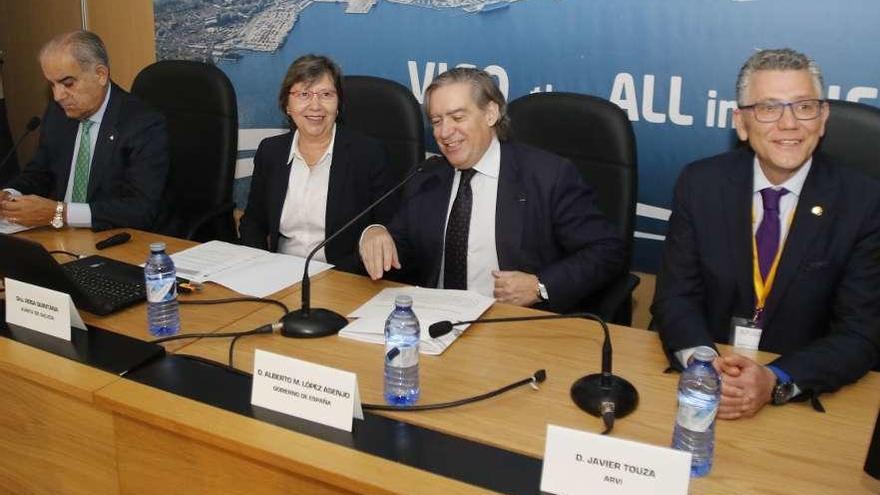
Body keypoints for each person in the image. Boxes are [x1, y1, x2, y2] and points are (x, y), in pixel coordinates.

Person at [652, 48, 880, 419]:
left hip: (800, 398)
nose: (789, 124)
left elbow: (859, 334)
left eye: (804, 107)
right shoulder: (700, 183)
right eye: (769, 108)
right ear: (741, 123)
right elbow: (674, 297)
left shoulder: (864, 202)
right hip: (705, 382)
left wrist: (775, 379)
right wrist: (703, 364)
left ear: (822, 119)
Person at [359, 67, 624, 313]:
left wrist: (541, 286)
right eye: (437, 121)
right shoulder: (426, 176)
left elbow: (606, 250)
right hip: (435, 320)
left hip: (512, 324)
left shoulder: (547, 176)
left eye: (457, 117)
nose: (445, 131)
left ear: (490, 114)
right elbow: (401, 247)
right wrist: (376, 233)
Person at [239, 55, 398, 274]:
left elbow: (390, 225)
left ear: (338, 104)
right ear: (287, 104)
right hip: (278, 274)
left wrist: (377, 230)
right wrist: (259, 265)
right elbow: (253, 222)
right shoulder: (271, 151)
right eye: (304, 94)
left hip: (344, 278)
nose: (315, 106)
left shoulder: (368, 154)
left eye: (326, 95)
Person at [0, 30, 169, 231]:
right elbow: (40, 174)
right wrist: (10, 195)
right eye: (52, 84)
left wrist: (60, 213)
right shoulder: (58, 114)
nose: (58, 96)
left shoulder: (143, 124)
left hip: (112, 237)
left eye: (67, 83)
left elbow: (141, 209)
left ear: (100, 74)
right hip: (60, 237)